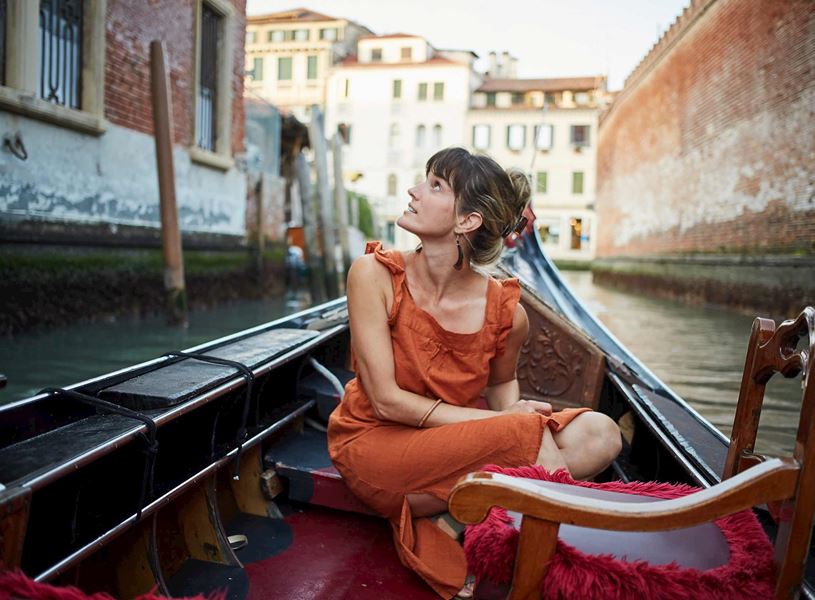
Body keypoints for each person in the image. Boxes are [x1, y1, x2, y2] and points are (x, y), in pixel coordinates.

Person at [327, 147, 622, 599]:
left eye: (436, 185)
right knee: (522, 433)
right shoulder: (374, 275)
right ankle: (559, 563)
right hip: (374, 441)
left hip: (450, 448)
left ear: (467, 222)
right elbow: (386, 400)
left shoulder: (506, 312)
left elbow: (502, 385)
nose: (414, 191)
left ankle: (454, 512)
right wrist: (506, 425)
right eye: (425, 180)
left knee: (601, 434)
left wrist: (509, 420)